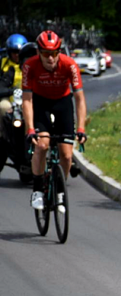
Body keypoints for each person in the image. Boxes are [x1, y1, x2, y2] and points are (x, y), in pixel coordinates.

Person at [22, 30, 87, 210]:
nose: (50, 58)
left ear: (59, 52)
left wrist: (81, 127)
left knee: (66, 154)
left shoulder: (69, 65)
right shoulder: (30, 65)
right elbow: (27, 100)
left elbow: (80, 99)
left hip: (62, 103)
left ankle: (59, 189)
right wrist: (30, 128)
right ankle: (37, 190)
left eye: (54, 54)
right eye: (45, 54)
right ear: (38, 53)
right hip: (40, 103)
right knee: (42, 145)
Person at [0, 34, 27, 113]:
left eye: (19, 52)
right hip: (9, 97)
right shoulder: (4, 65)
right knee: (3, 107)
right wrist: (12, 91)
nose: (17, 55)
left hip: (28, 96)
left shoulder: (32, 64)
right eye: (14, 52)